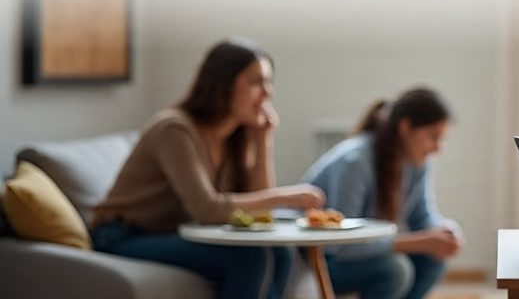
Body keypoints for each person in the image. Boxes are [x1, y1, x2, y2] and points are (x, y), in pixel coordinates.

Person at [92, 39, 325, 299]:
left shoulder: (234, 138)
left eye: (269, 82)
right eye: (256, 81)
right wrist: (287, 196)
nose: (268, 92)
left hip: (175, 232)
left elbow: (259, 210)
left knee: (280, 250)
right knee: (250, 256)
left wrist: (263, 142)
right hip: (122, 236)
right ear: (224, 84)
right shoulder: (174, 129)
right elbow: (208, 210)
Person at [303, 87, 462, 299]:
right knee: (396, 269)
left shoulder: (419, 162)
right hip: (324, 258)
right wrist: (421, 242)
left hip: (361, 253)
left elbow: (422, 216)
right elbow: (343, 245)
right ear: (406, 128)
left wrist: (444, 231)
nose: (437, 148)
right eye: (433, 137)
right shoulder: (355, 162)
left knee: (433, 261)